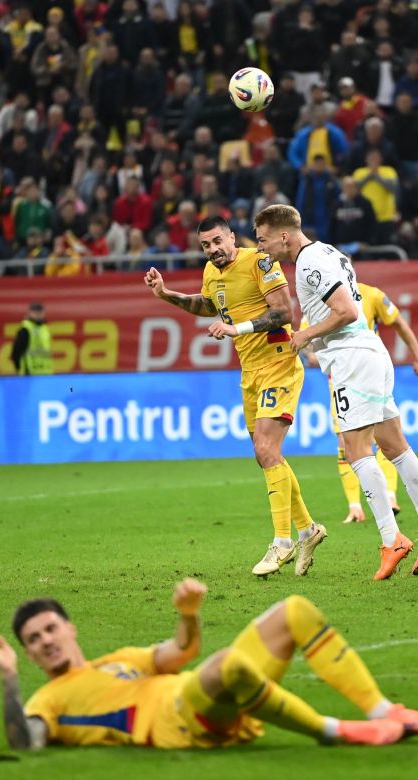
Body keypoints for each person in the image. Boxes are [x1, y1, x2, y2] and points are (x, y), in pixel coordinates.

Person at [0, 579, 418, 750]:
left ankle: (383, 712)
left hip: (200, 694)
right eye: (33, 641)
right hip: (184, 722)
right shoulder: (48, 700)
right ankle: (335, 732)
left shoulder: (119, 660)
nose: (45, 641)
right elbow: (26, 740)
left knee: (294, 611)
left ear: (70, 628)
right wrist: (8, 677)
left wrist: (188, 615)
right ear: (30, 654)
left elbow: (180, 653)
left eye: (50, 630)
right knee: (229, 664)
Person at [254, 205, 418, 580]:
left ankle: (391, 539)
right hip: (369, 354)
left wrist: (305, 335)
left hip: (352, 359)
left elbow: (344, 311)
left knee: (355, 449)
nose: (261, 249)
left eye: (263, 240)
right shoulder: (330, 252)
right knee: (394, 445)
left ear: (283, 235)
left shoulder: (310, 261)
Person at [144, 216, 326, 578]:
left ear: (231, 237)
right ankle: (308, 529)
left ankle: (283, 542)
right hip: (250, 372)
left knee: (265, 450)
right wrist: (167, 296)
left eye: (217, 241)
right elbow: (209, 306)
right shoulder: (212, 273)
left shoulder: (259, 261)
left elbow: (283, 313)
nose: (213, 250)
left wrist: (236, 328)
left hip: (279, 362)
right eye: (205, 246)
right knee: (266, 455)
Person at [302, 282, 418, 524]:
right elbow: (307, 339)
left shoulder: (372, 295)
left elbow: (399, 323)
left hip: (368, 372)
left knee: (382, 436)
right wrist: (311, 354)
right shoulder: (318, 302)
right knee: (346, 442)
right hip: (339, 379)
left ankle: (390, 497)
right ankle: (355, 507)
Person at [11, 302, 54, 375]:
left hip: (46, 373)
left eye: (40, 312)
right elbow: (16, 352)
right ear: (30, 313)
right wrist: (20, 369)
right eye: (35, 312)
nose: (38, 315)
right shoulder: (25, 329)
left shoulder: (45, 329)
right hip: (29, 373)